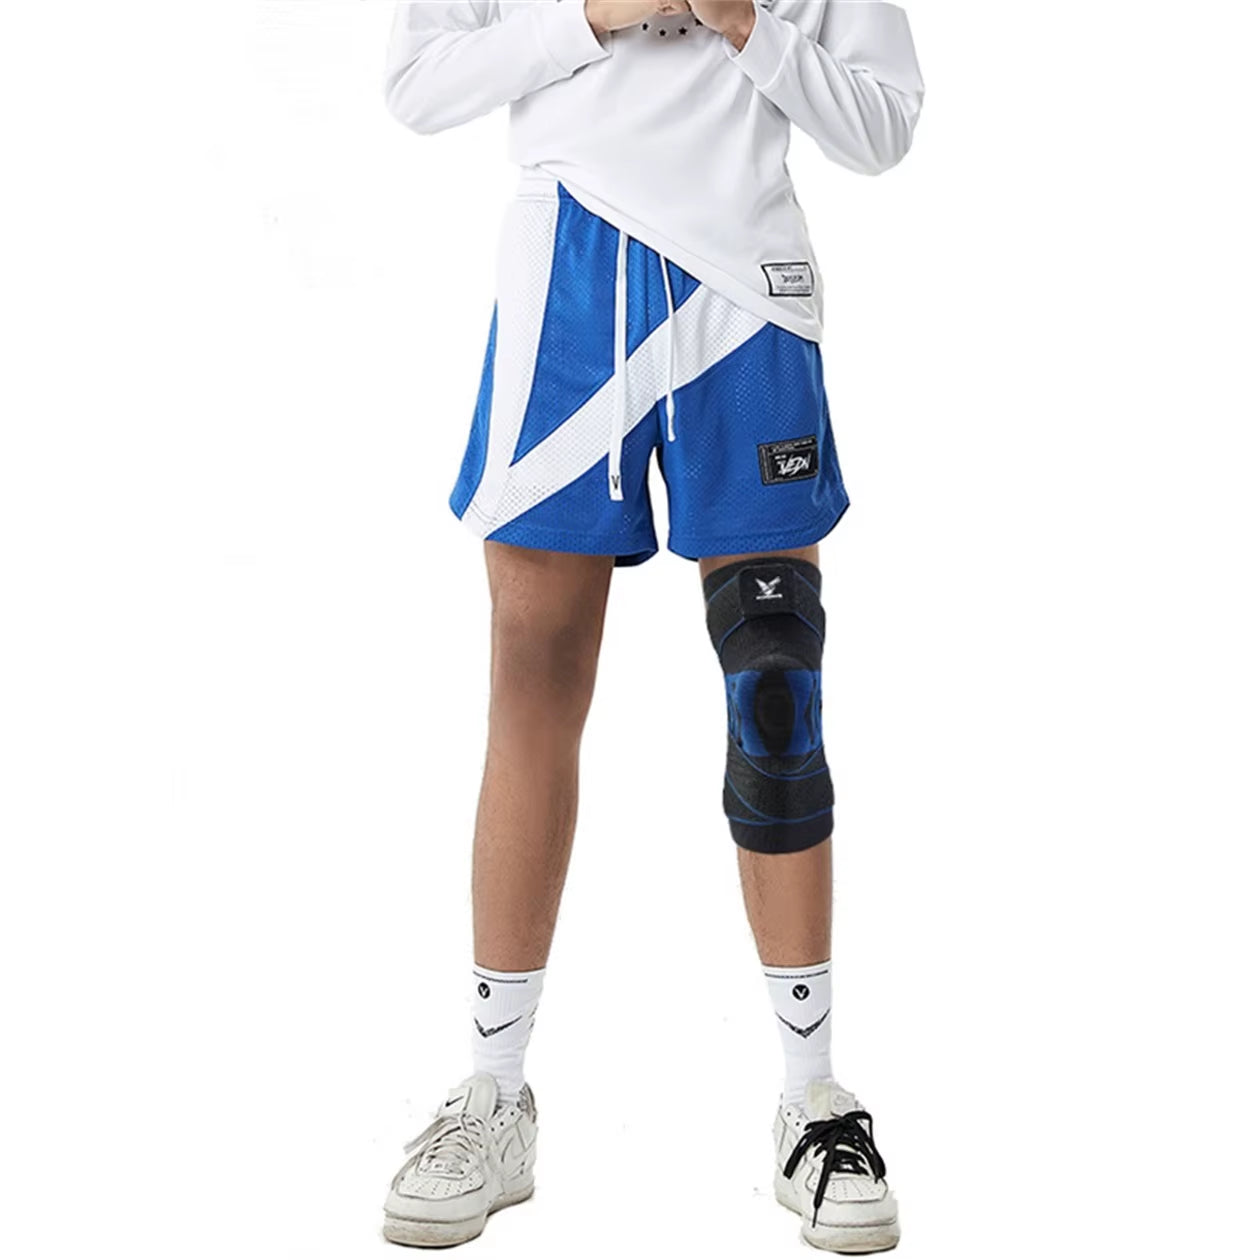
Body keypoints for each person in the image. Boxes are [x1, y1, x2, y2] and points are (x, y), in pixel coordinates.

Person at [380, 1, 923, 1251]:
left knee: (775, 682)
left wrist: (743, 24)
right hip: (569, 285)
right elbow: (418, 86)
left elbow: (885, 127)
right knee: (534, 674)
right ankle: (493, 1092)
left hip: (748, 297)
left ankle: (812, 1102)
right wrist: (593, 14)